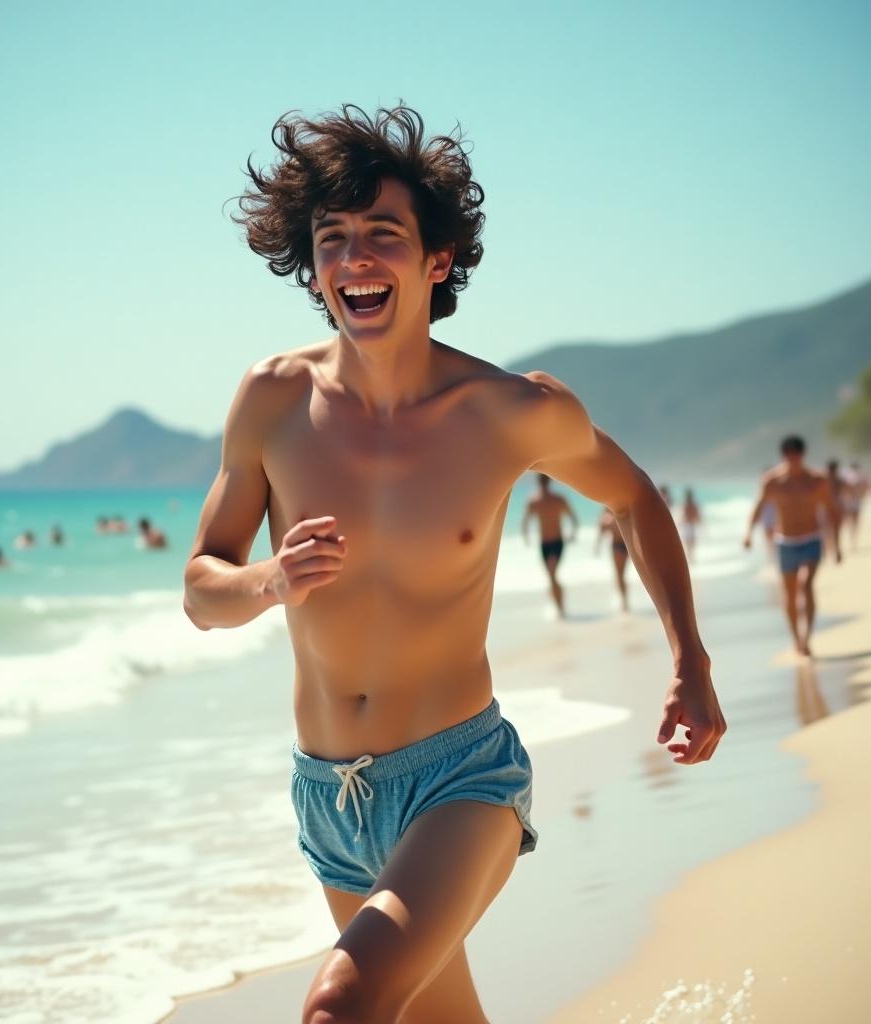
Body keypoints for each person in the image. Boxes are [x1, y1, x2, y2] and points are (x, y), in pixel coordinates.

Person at [183, 105, 725, 1024]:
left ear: (437, 260)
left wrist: (691, 660)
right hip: (327, 795)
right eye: (333, 239)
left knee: (340, 1007)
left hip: (458, 779)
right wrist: (271, 580)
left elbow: (633, 497)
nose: (354, 258)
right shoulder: (271, 399)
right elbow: (202, 589)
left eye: (382, 235)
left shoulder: (509, 410)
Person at [743, 436, 833, 657]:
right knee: (790, 594)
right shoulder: (772, 481)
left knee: (806, 584)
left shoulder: (816, 480)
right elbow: (759, 506)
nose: (793, 458)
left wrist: (836, 544)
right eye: (788, 454)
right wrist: (748, 533)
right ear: (783, 455)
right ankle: (796, 639)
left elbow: (832, 510)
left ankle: (807, 636)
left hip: (812, 539)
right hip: (785, 543)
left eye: (797, 454)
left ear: (803, 455)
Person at [521, 473, 578, 617]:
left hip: (557, 542)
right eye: (542, 480)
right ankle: (558, 605)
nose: (544, 483)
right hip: (544, 544)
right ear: (539, 481)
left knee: (552, 573)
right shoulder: (533, 501)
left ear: (549, 481)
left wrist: (572, 533)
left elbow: (572, 516)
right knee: (550, 576)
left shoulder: (558, 500)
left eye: (545, 480)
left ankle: (560, 609)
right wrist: (525, 536)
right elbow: (525, 520)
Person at [595, 507, 630, 612]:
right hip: (618, 546)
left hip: (626, 545)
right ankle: (623, 600)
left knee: (620, 574)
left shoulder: (619, 513)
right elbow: (601, 529)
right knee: (620, 574)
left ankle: (623, 599)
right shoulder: (607, 517)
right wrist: (597, 546)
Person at [825, 460, 846, 563]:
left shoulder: (824, 480)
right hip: (837, 507)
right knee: (836, 530)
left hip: (827, 508)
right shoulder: (839, 480)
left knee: (827, 530)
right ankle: (836, 549)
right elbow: (846, 492)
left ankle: (830, 551)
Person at [680, 487, 702, 561]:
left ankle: (690, 556)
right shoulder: (692, 504)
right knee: (691, 542)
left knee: (688, 542)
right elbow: (697, 515)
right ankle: (691, 556)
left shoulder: (686, 504)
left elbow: (683, 515)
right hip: (691, 525)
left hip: (687, 525)